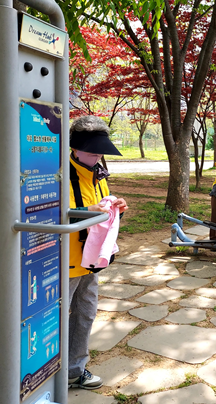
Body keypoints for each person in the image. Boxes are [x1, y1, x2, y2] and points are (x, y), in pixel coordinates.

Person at [68, 116, 128, 389]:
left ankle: (74, 370)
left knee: (86, 313)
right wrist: (87, 212)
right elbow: (48, 214)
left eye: (100, 152)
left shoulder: (99, 174)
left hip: (90, 260)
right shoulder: (57, 175)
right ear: (75, 147)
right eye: (92, 152)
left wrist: (117, 210)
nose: (97, 157)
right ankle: (44, 373)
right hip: (64, 261)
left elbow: (103, 214)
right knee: (54, 319)